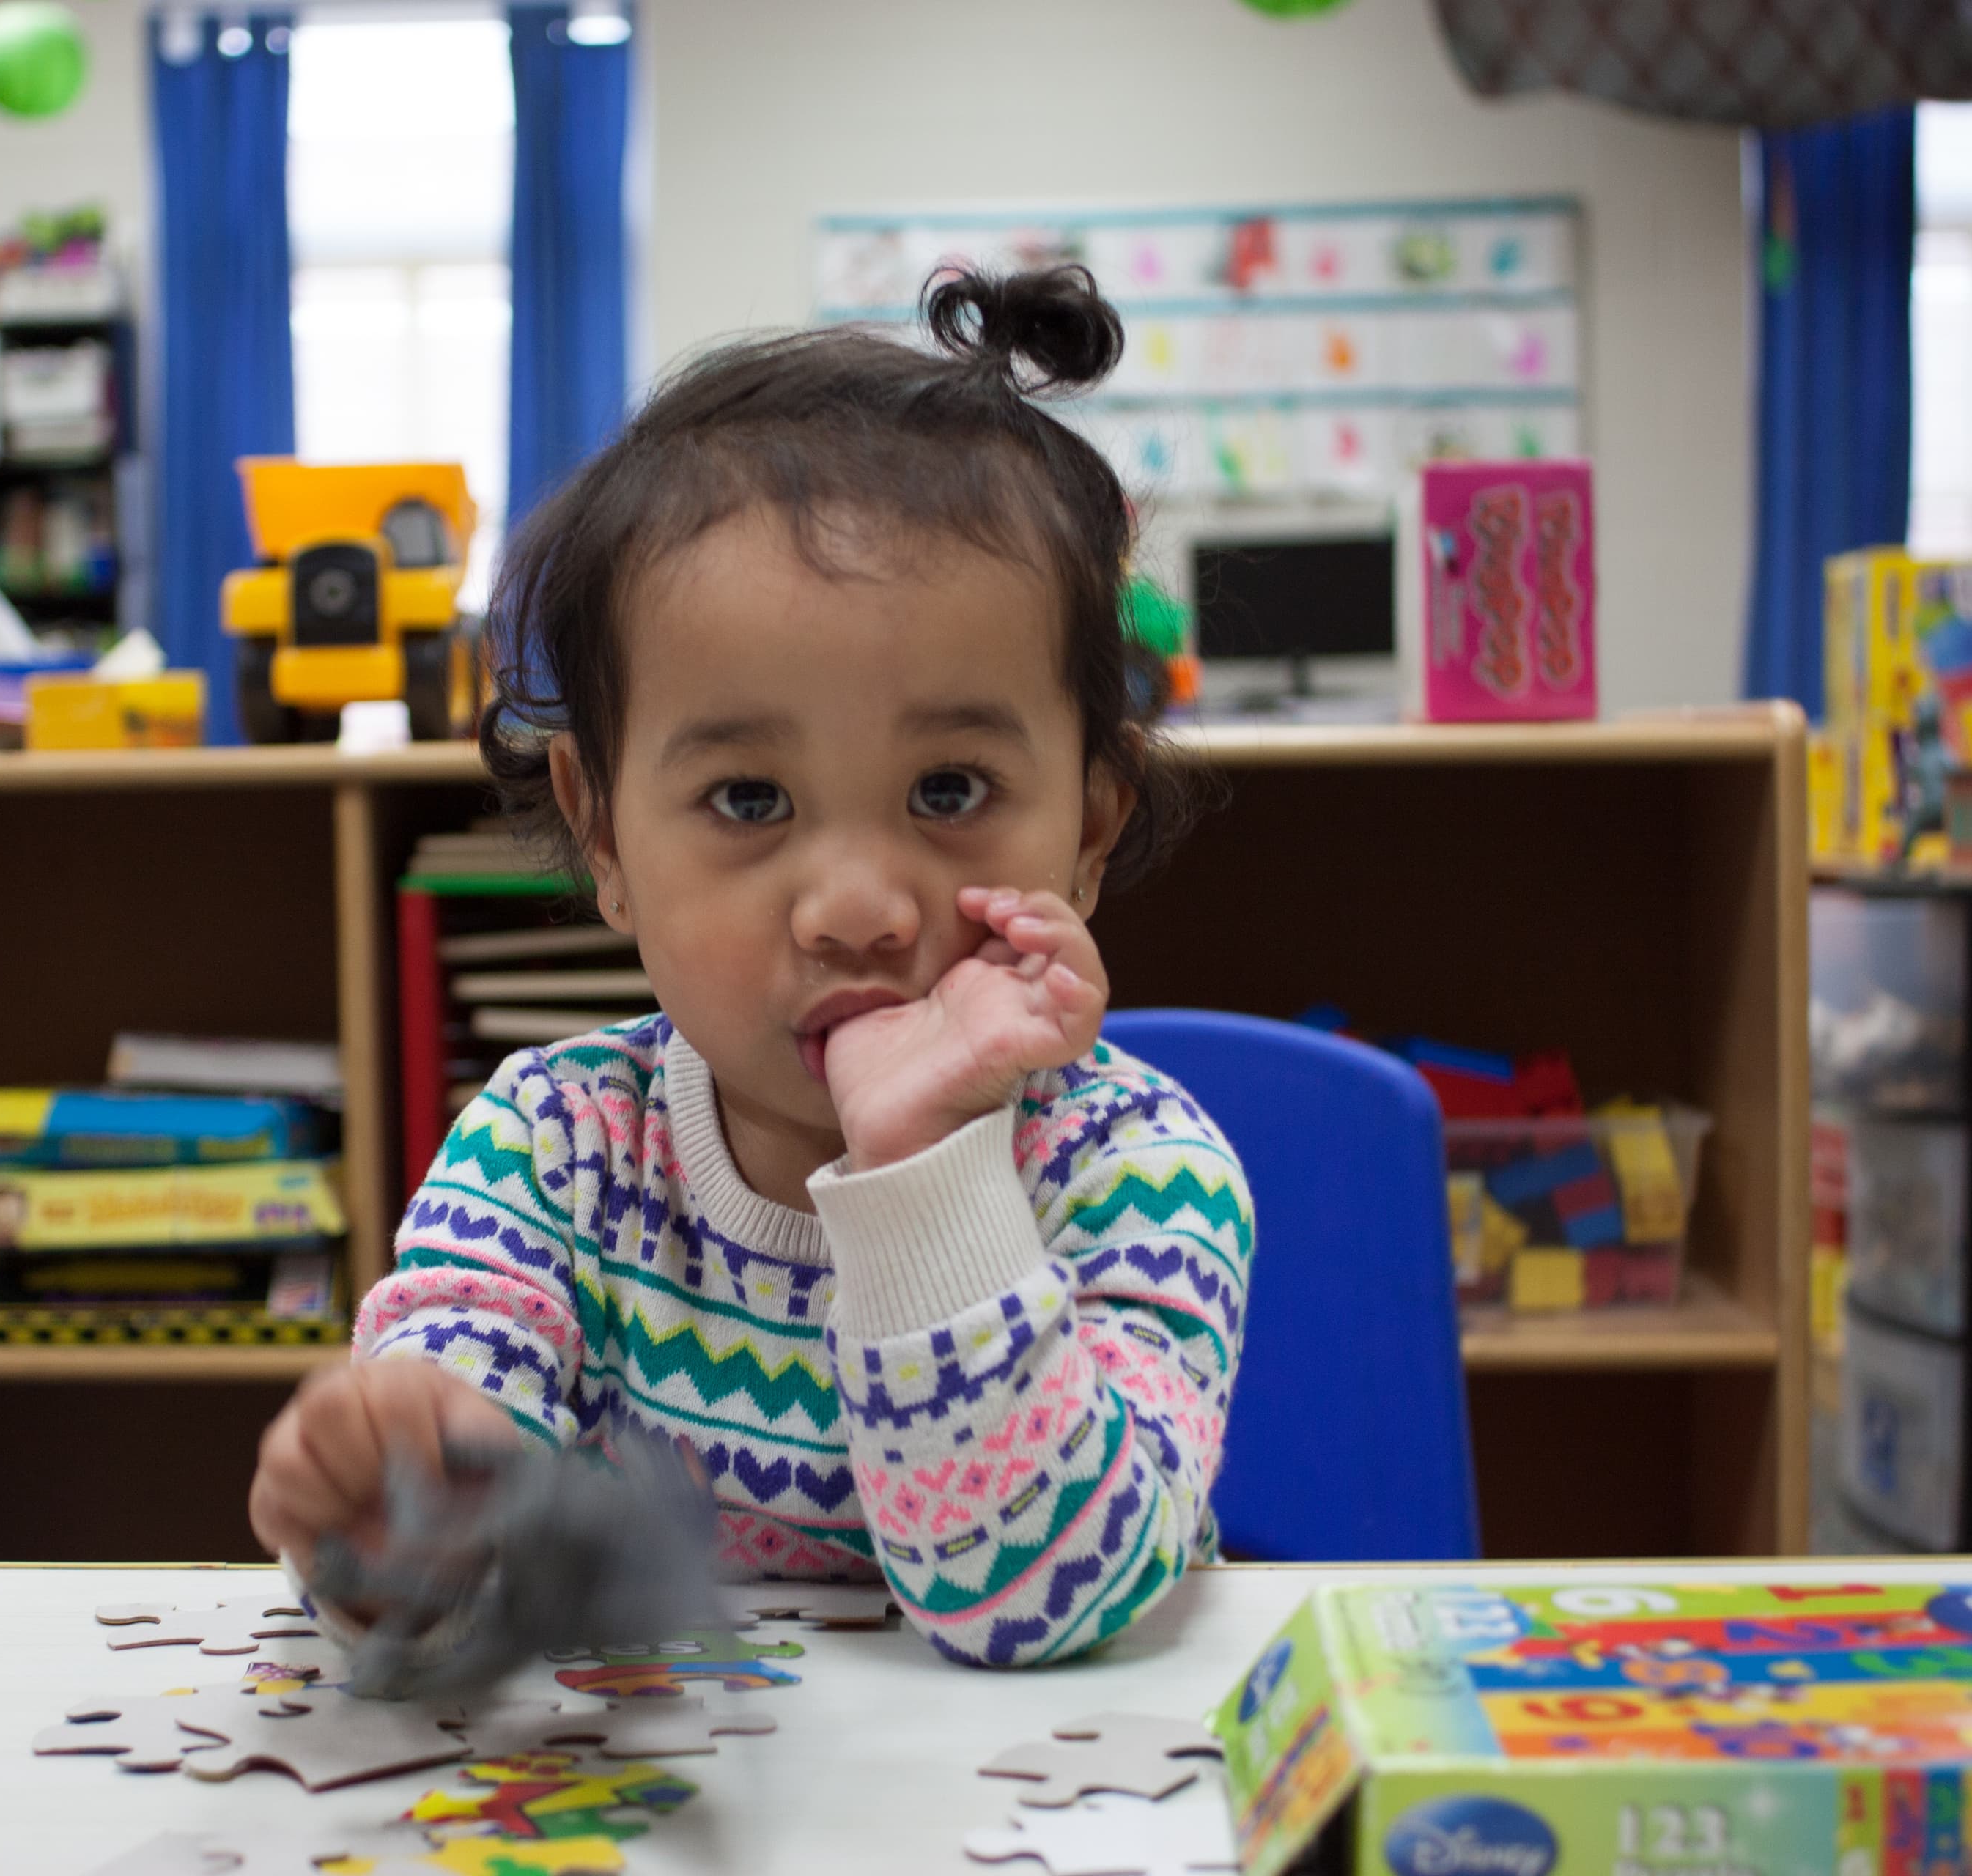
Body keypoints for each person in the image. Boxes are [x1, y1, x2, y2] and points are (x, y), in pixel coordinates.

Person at [251, 266, 1255, 1668]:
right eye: (748, 800)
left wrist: (919, 1172)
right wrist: (401, 1506)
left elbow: (1039, 1608)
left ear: (1089, 825)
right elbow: (442, 1587)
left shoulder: (1136, 1174)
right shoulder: (553, 1152)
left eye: (951, 789)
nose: (854, 909)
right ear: (602, 831)